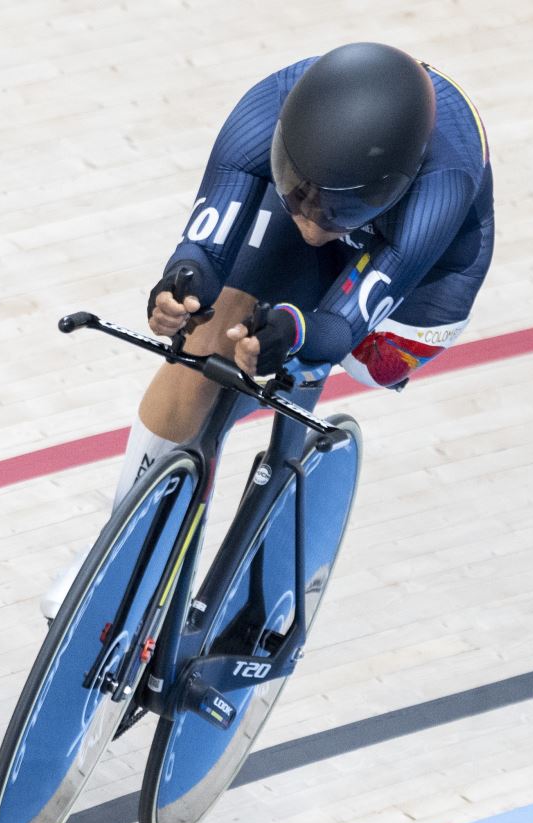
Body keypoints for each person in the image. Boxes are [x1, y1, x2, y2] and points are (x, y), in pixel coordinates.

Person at [42, 41, 494, 619]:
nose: (308, 222)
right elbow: (205, 244)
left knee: (337, 351)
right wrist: (180, 285)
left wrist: (297, 329)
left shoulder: (443, 182)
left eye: (329, 210)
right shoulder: (266, 108)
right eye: (299, 196)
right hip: (350, 191)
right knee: (206, 342)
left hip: (424, 274)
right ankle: (120, 548)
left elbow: (340, 325)